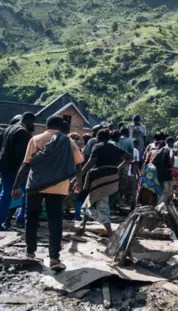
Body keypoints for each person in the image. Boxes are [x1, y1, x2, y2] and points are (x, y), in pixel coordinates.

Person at [13, 116, 84, 271]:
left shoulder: (36, 139)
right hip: (58, 187)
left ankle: (30, 253)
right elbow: (78, 165)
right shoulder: (68, 142)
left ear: (46, 125)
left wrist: (15, 186)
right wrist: (78, 183)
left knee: (31, 218)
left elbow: (26, 164)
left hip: (35, 186)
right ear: (60, 126)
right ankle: (54, 259)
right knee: (55, 221)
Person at [78, 129, 132, 237]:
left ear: (99, 138)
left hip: (99, 177)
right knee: (90, 199)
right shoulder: (115, 147)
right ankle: (82, 225)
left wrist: (80, 175)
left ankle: (110, 233)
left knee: (102, 204)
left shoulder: (97, 147)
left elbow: (91, 162)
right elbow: (130, 157)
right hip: (111, 178)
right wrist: (118, 167)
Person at [0, 112, 35, 229]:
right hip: (16, 169)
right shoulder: (22, 132)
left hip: (4, 166)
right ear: (30, 121)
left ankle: (1, 221)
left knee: (5, 194)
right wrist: (21, 174)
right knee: (27, 193)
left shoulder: (7, 129)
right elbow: (21, 155)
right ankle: (21, 218)